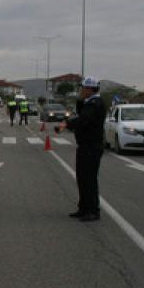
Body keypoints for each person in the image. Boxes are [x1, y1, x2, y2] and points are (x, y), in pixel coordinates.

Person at [56, 76, 107, 222]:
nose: (81, 90)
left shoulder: (95, 103)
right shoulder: (89, 102)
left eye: (83, 88)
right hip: (85, 145)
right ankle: (84, 208)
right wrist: (80, 100)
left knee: (89, 179)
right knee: (82, 178)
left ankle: (93, 210)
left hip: (91, 146)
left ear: (89, 89)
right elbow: (81, 113)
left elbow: (83, 119)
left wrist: (66, 124)